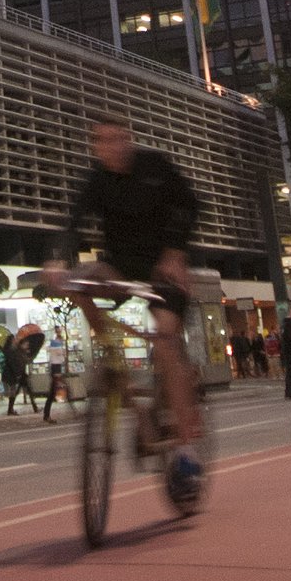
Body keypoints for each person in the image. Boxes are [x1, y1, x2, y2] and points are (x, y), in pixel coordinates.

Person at [43, 112, 207, 507]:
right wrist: (57, 261)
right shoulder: (95, 179)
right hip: (122, 266)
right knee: (79, 283)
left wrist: (174, 252)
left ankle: (185, 453)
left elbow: (190, 204)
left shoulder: (155, 167)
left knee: (166, 339)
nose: (112, 147)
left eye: (118, 138)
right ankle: (111, 352)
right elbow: (73, 222)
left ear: (128, 138)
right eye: (102, 141)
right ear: (95, 147)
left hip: (164, 267)